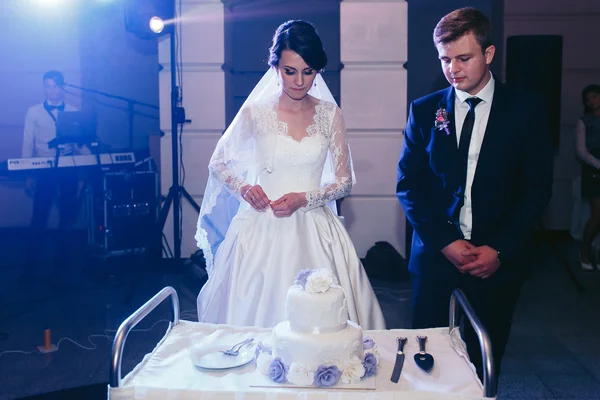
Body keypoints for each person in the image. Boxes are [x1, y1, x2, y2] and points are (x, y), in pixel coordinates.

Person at [396, 8, 553, 384]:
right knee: (427, 356)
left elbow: (535, 189)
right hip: (437, 254)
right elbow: (409, 185)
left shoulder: (526, 109)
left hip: (496, 258)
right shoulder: (425, 110)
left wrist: (499, 249)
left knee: (484, 360)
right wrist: (445, 241)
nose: (453, 69)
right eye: (445, 59)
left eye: (463, 58)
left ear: (489, 54)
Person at [195, 20, 386, 330]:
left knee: (326, 324)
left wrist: (304, 198)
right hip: (260, 225)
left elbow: (344, 180)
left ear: (317, 70)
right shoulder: (255, 113)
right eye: (289, 71)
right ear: (275, 67)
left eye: (308, 71)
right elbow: (218, 163)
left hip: (315, 226)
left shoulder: (330, 114)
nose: (299, 81)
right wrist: (244, 188)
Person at [19, 70, 87, 286]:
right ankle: (30, 270)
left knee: (67, 217)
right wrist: (27, 173)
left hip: (68, 168)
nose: (52, 90)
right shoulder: (33, 112)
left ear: (62, 87)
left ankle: (62, 267)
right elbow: (27, 143)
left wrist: (94, 155)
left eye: (56, 86)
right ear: (44, 88)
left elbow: (79, 143)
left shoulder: (74, 111)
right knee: (39, 217)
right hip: (44, 168)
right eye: (48, 86)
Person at [575, 84, 600, 271]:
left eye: (595, 96)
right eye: (588, 98)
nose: (592, 101)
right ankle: (584, 252)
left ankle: (596, 254)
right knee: (597, 215)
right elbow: (581, 151)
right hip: (593, 172)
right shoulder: (584, 121)